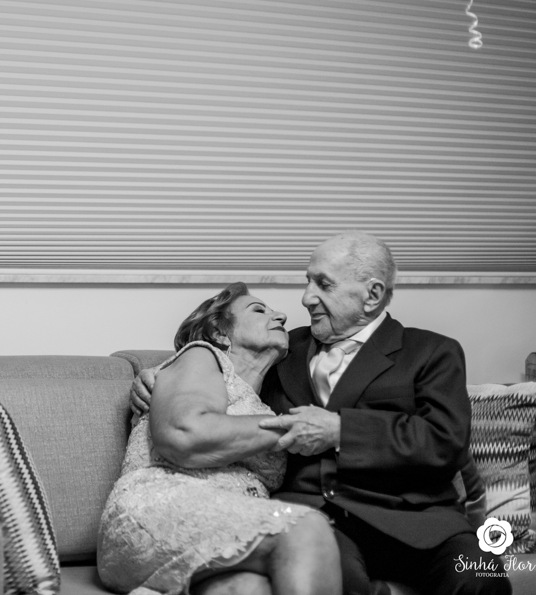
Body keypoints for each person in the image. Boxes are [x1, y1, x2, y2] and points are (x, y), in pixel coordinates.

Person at [131, 232, 511, 595]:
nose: (306, 298)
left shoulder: (431, 351)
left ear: (372, 295)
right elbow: (220, 367)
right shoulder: (282, 346)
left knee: (482, 576)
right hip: (317, 521)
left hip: (417, 522)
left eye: (323, 285)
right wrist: (157, 377)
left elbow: (444, 442)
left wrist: (342, 431)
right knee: (326, 579)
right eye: (307, 282)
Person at [98, 282, 341, 595]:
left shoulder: (267, 402)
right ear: (220, 332)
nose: (281, 316)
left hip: (220, 534)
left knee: (251, 588)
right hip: (159, 510)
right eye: (259, 310)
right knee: (306, 527)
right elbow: (185, 434)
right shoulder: (202, 356)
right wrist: (294, 427)